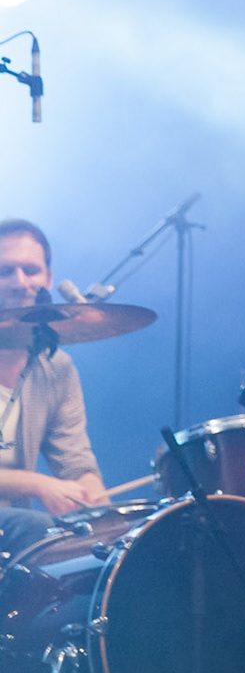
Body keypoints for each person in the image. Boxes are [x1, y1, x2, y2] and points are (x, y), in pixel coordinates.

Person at [0, 219, 108, 557]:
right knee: (36, 527)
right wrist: (36, 484)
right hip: (20, 527)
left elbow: (74, 462)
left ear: (47, 278)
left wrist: (100, 506)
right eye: (6, 271)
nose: (20, 282)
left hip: (10, 535)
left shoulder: (56, 367)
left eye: (30, 270)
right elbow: (45, 486)